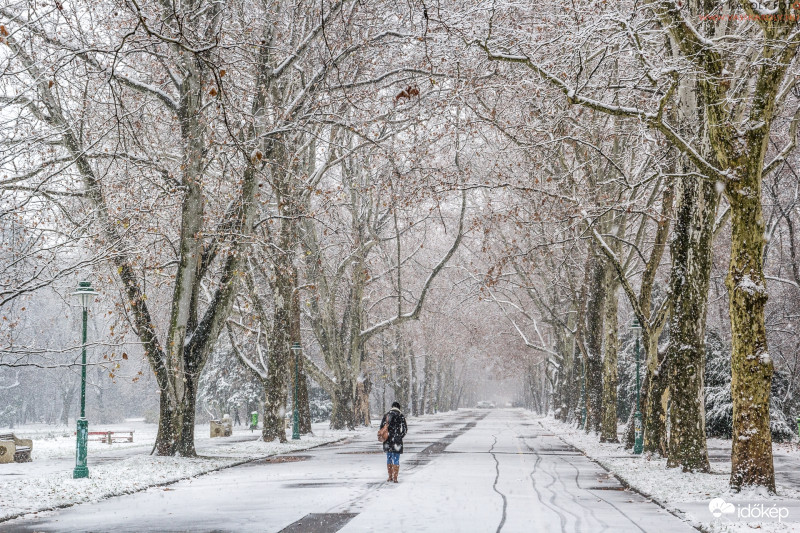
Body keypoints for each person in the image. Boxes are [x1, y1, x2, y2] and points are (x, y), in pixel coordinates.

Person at [379, 401, 407, 483]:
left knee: (389, 457)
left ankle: (390, 476)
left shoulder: (386, 415)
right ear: (399, 408)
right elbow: (405, 429)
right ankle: (395, 477)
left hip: (388, 440)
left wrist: (388, 434)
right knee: (396, 458)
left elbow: (381, 427)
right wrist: (400, 436)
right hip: (397, 440)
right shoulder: (401, 416)